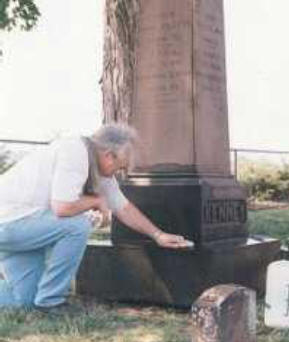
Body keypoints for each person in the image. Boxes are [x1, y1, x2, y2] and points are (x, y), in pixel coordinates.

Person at [0, 123, 191, 313]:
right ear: (109, 155)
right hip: (9, 223)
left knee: (25, 300)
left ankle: (41, 300)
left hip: (20, 226)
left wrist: (158, 235)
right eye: (120, 167)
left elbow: (122, 207)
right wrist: (96, 201)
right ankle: (51, 302)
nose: (119, 172)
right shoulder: (74, 151)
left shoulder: (98, 168)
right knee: (77, 226)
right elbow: (63, 208)